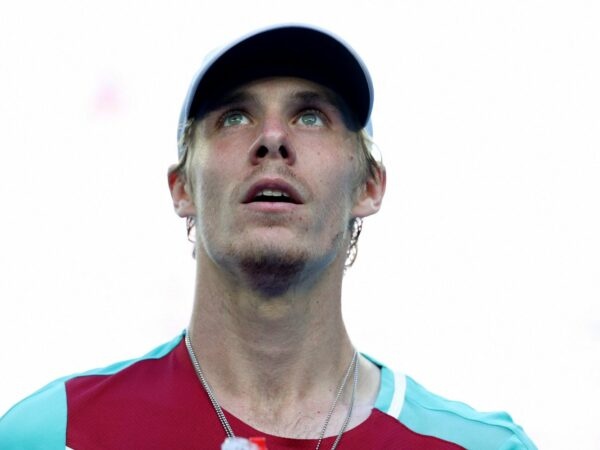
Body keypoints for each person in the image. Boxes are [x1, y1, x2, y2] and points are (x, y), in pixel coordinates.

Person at [0, 24, 536, 450]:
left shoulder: (479, 446)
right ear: (182, 187)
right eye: (235, 116)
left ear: (368, 185)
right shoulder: (53, 434)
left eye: (311, 116)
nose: (273, 138)